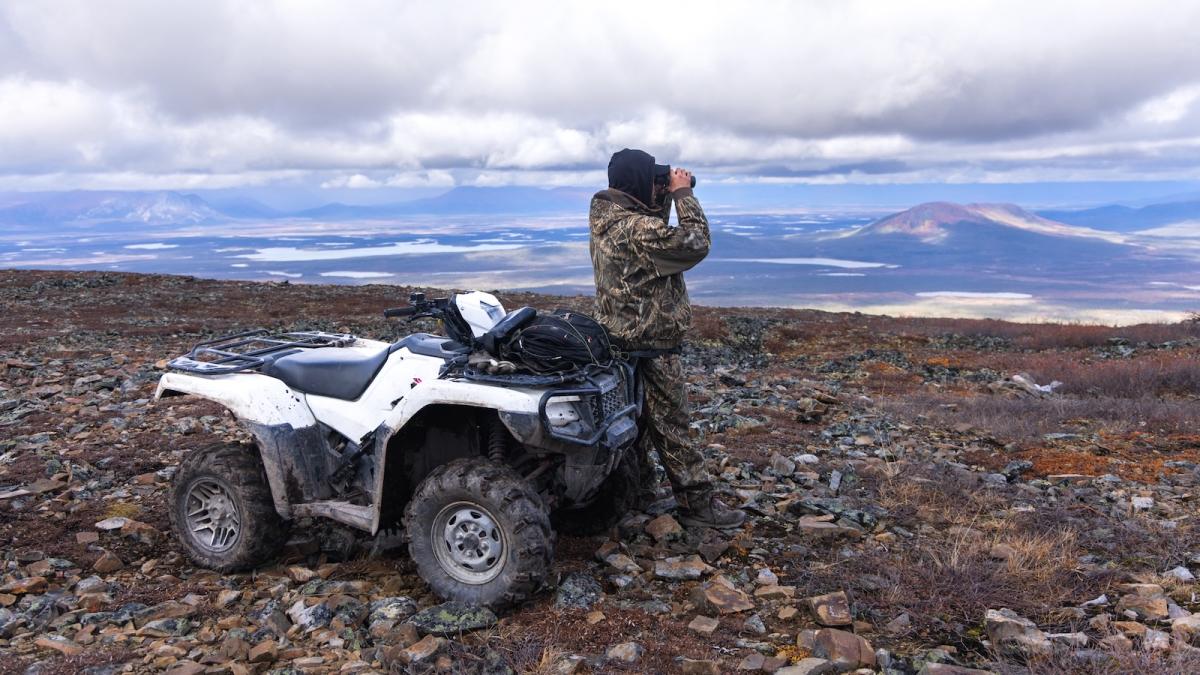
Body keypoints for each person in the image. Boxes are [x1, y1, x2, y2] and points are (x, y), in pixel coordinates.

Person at [588, 148, 746, 529]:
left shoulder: (609, 219)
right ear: (639, 183)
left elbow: (647, 228)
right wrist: (682, 195)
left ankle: (639, 492)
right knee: (674, 427)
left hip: (619, 342)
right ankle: (699, 507)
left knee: (636, 425)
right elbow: (695, 242)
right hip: (652, 345)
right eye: (652, 178)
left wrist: (658, 193)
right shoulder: (637, 231)